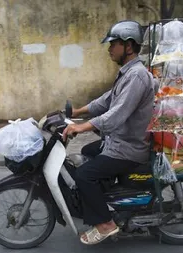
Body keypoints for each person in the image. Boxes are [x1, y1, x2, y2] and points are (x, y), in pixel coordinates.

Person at [62, 20, 155, 245]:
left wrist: (82, 126)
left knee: (85, 174)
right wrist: (76, 111)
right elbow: (106, 101)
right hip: (118, 142)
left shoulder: (137, 76)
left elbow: (116, 115)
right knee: (86, 151)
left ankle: (105, 224)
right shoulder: (128, 73)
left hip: (128, 148)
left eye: (114, 44)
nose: (109, 48)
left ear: (129, 46)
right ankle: (110, 199)